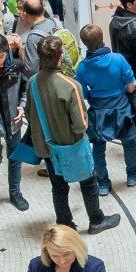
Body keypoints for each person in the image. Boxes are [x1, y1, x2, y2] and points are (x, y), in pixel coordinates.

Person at [28, 42, 117, 234]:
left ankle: (65, 224)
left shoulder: (33, 82)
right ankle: (96, 220)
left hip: (47, 147)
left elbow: (30, 113)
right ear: (60, 56)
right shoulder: (71, 85)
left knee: (58, 186)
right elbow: (80, 125)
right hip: (72, 146)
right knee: (88, 182)